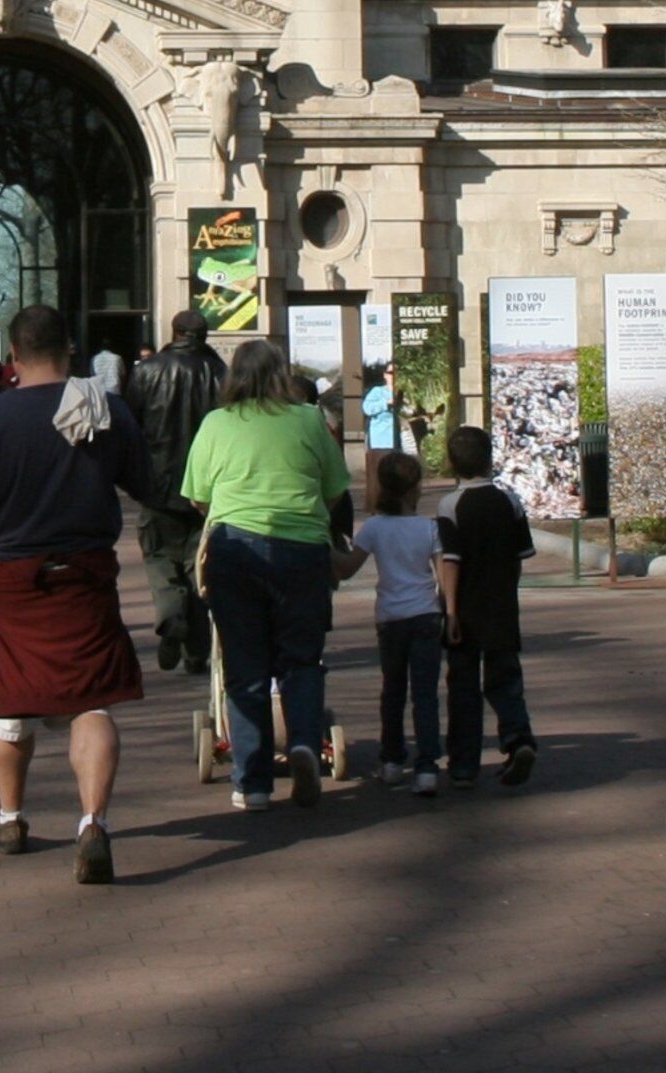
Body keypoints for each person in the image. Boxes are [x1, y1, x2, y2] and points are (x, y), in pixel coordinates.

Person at [0, 302, 157, 885]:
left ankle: (11, 819)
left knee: (8, 702)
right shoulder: (103, 409)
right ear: (70, 349)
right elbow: (147, 483)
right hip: (85, 575)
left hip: (14, 582)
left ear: (13, 356)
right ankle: (94, 823)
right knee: (93, 701)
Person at [181, 336, 354, 810]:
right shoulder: (308, 419)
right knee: (302, 660)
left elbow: (197, 495)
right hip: (303, 549)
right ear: (282, 375)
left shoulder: (216, 423)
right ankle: (304, 744)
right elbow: (335, 487)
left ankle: (252, 782)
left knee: (244, 668)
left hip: (236, 549)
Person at [431, 425, 538, 789]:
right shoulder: (509, 501)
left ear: (451, 464)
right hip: (502, 605)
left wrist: (450, 610)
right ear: (490, 459)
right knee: (506, 680)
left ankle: (463, 765)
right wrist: (507, 591)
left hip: (465, 610)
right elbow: (520, 556)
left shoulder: (450, 506)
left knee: (463, 686)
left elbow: (451, 561)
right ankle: (519, 739)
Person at [127, 312, 227, 673]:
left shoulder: (147, 370)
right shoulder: (220, 373)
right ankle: (196, 653)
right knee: (198, 566)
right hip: (206, 486)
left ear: (175, 332)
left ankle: (171, 613)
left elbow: (130, 425)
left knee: (158, 556)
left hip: (159, 483)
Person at [349, 449, 446, 797]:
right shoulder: (429, 527)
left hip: (391, 618)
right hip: (426, 615)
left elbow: (346, 568)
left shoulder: (374, 528)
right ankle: (427, 766)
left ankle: (391, 760)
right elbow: (443, 576)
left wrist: (323, 547)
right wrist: (448, 611)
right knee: (425, 694)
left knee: (392, 690)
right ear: (415, 488)